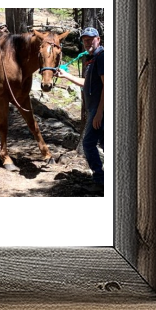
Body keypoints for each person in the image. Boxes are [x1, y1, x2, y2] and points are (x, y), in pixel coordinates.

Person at [56, 27, 104, 189]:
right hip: (94, 109)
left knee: (89, 143)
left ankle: (99, 179)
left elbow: (107, 85)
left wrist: (99, 112)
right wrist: (66, 76)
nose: (88, 42)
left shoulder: (102, 57)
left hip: (99, 109)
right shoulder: (92, 59)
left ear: (99, 39)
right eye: (85, 40)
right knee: (104, 143)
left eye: (91, 39)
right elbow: (86, 83)